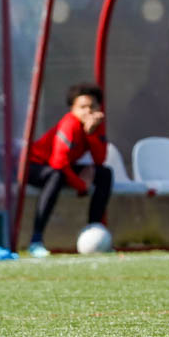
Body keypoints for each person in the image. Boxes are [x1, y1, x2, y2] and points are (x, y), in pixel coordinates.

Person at [25, 82, 113, 258]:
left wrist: (92, 134)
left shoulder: (96, 125)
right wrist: (81, 185)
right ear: (72, 109)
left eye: (92, 106)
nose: (88, 111)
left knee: (104, 173)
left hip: (57, 167)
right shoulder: (69, 124)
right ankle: (36, 240)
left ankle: (94, 232)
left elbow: (99, 160)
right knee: (55, 176)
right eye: (82, 107)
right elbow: (58, 163)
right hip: (34, 166)